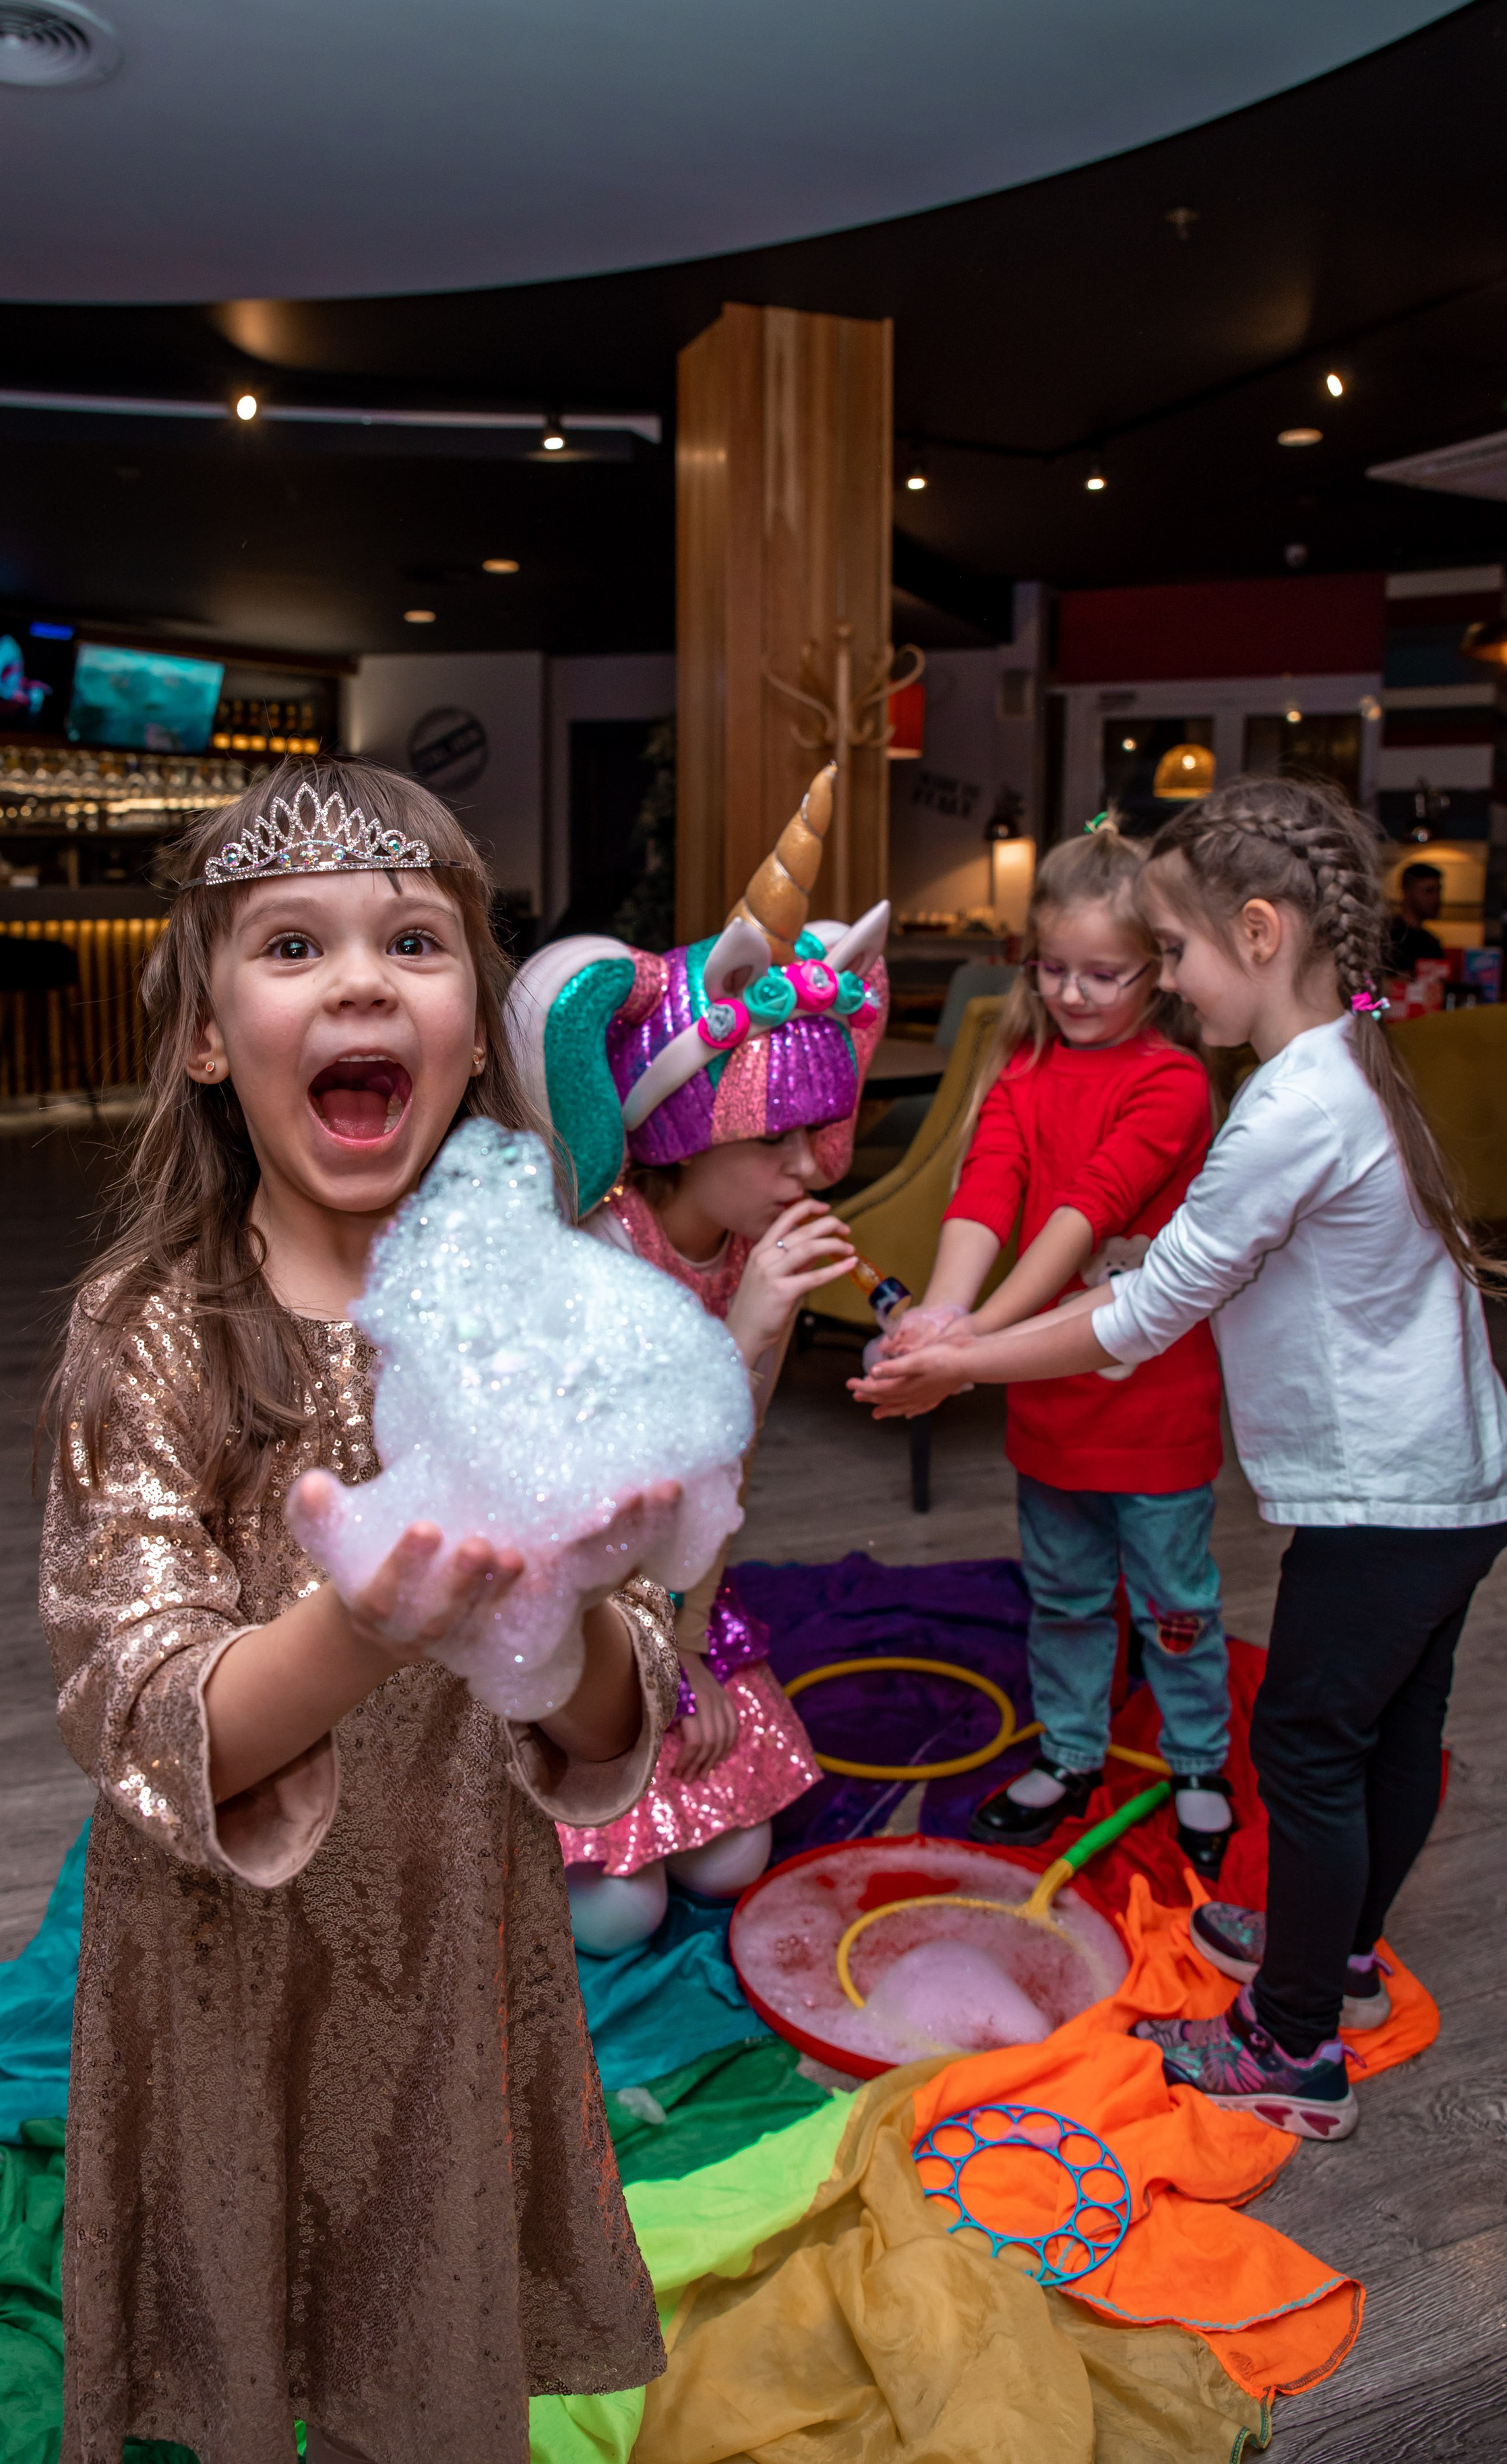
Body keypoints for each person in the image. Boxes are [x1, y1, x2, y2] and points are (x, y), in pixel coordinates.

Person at [39, 758, 684, 2464]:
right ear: (202, 1035)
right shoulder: (152, 1327)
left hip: (456, 1937)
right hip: (220, 1972)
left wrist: (567, 1611)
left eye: (410, 940)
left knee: (426, 2311)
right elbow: (138, 1690)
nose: (355, 979)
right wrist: (368, 1624)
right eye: (290, 946)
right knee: (253, 2314)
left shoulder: (535, 1314)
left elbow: (620, 1718)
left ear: (474, 1030)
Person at [853, 776, 1507, 2141]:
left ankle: (1285, 2046)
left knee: (1309, 1749)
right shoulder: (1340, 1064)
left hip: (1385, 1496)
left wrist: (959, 1360)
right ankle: (1336, 1965)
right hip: (1450, 1480)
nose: (1167, 981)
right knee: (1382, 1736)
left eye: (1174, 951)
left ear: (1257, 936)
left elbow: (1146, 1317)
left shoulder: (1283, 1105)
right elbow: (1228, 1261)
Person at [507, 766, 888, 1950]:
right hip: (570, 1615)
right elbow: (620, 1491)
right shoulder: (599, 1256)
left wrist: (692, 1657)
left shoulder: (736, 1238)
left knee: (734, 1861)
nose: (812, 1168)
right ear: (681, 1126)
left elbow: (724, 1483)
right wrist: (756, 1326)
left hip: (676, 1591)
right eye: (776, 1138)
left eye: (816, 1133)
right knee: (621, 1912)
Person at [875, 822, 1234, 1876]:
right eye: (1055, 969)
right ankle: (1074, 1753)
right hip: (1050, 1407)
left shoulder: (1172, 1082)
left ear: (1159, 975)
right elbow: (988, 1192)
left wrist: (974, 1340)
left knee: (1175, 1602)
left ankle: (1200, 1763)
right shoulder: (1023, 1073)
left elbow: (1088, 1210)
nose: (1074, 995)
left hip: (1154, 1410)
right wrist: (944, 1314)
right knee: (1067, 1594)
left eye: (1104, 974)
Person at [1384, 858, 1445, 977]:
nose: (1436, 899)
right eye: (1429, 891)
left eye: (1439, 891)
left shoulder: (1432, 942)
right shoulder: (1389, 937)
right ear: (1407, 892)